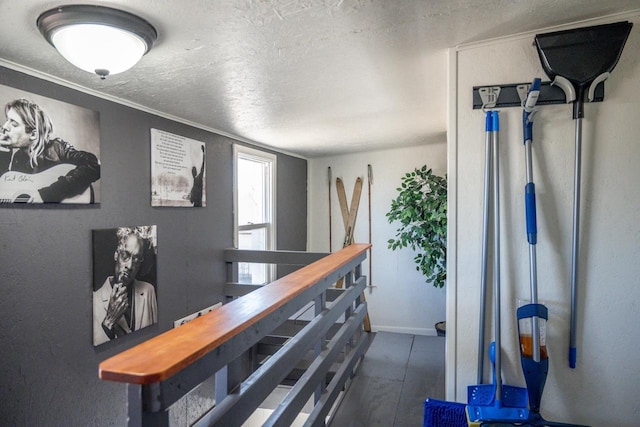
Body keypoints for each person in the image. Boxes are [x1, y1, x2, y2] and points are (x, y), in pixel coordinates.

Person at [0, 98, 100, 203]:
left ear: (33, 134)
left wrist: (47, 195)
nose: (5, 127)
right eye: (7, 120)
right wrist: (3, 152)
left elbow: (94, 164)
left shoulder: (57, 148)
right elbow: (5, 190)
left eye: (14, 124)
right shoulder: (18, 158)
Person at [93, 230, 158, 346]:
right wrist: (109, 322)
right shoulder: (94, 301)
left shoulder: (148, 291)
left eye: (136, 259)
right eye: (125, 255)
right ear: (116, 254)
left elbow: (156, 339)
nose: (129, 266)